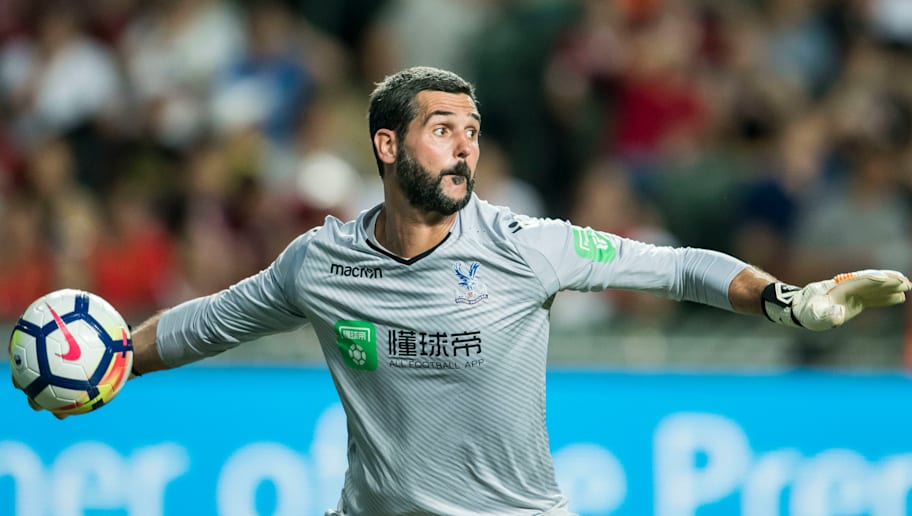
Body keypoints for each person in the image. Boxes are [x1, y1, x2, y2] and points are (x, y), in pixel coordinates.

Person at [16, 66, 912, 515]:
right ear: (388, 145)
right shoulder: (318, 266)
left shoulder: (530, 247)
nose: (465, 147)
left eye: (474, 132)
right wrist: (111, 363)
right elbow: (205, 325)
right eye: (443, 129)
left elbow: (678, 266)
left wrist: (788, 300)